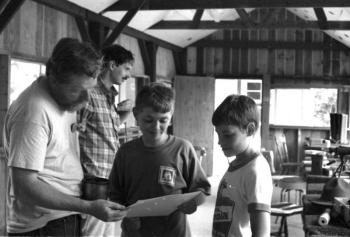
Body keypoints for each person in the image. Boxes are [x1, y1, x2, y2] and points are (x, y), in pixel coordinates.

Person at [2, 38, 126, 236]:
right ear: (52, 76)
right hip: (43, 225)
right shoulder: (33, 112)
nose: (86, 100)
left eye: (90, 90)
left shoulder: (63, 99)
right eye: (78, 90)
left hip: (61, 217)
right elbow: (24, 187)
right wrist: (87, 207)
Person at [109, 83, 211, 237]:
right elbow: (115, 194)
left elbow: (202, 190)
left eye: (163, 120)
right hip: (135, 233)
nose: (156, 127)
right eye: (148, 120)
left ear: (172, 117)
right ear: (136, 115)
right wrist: (124, 214)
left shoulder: (183, 149)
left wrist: (194, 203)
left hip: (174, 232)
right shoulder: (125, 152)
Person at [78, 44, 134, 236]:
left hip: (110, 178)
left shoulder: (109, 97)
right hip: (93, 181)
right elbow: (75, 133)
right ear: (112, 65)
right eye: (126, 68)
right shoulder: (89, 94)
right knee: (93, 233)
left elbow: (104, 132)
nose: (128, 75)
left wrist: (123, 114)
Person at [211, 95, 272, 237]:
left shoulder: (256, 171)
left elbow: (262, 234)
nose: (220, 142)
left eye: (227, 135)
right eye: (218, 134)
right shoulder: (238, 164)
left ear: (250, 130)